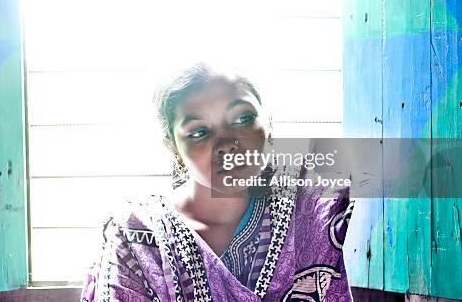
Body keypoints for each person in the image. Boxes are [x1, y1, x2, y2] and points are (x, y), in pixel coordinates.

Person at [80, 62, 354, 301]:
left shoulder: (310, 208)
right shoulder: (137, 236)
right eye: (199, 132)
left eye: (242, 118)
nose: (226, 144)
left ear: (268, 123)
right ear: (174, 148)